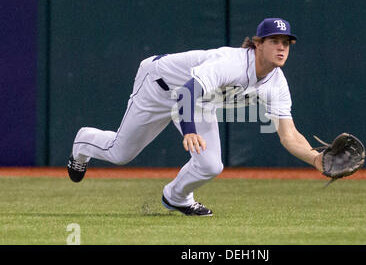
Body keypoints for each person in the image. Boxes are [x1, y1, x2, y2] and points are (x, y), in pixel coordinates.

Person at [68, 18, 324, 216]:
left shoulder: (276, 83)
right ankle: (84, 142)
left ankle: (176, 197)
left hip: (200, 101)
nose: (281, 47)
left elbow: (288, 134)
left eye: (286, 42)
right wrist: (189, 130)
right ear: (258, 44)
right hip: (159, 86)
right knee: (121, 154)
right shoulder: (231, 63)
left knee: (211, 165)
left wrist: (315, 158)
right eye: (274, 41)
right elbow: (187, 92)